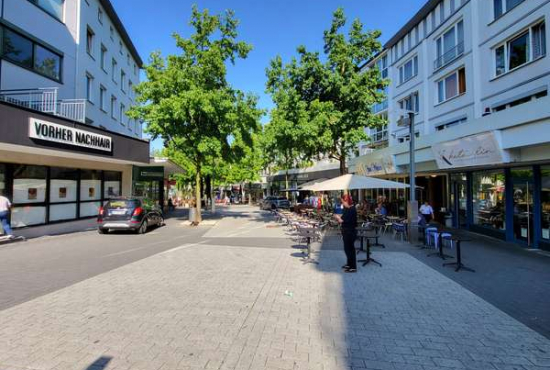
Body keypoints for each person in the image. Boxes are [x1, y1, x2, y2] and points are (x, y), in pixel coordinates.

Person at [334, 194, 357, 273]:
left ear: (347, 201)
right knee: (347, 249)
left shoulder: (352, 209)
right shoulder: (347, 209)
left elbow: (342, 220)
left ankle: (353, 267)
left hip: (350, 232)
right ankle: (349, 264)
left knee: (350, 250)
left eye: (343, 202)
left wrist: (337, 217)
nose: (342, 203)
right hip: (346, 231)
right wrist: (339, 217)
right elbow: (343, 218)